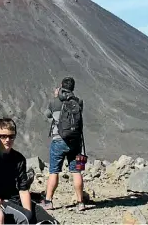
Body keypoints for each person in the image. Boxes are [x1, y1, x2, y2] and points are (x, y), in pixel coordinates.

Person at [41, 77, 86, 211]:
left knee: (54, 171)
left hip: (58, 140)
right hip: (76, 142)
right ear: (73, 87)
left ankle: (48, 201)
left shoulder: (54, 102)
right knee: (76, 171)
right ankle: (80, 203)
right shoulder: (78, 102)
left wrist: (56, 97)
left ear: (61, 86)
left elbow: (47, 115)